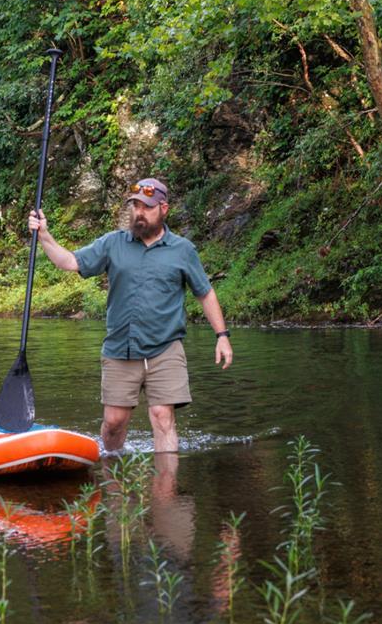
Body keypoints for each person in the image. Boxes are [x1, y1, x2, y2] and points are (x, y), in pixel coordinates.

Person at [28, 177, 233, 454]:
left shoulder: (183, 250)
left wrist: (222, 336)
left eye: (146, 207)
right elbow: (71, 261)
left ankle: (166, 492)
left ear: (164, 208)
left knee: (162, 417)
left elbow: (205, 293)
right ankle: (113, 479)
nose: (139, 212)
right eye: (135, 206)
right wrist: (45, 236)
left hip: (166, 347)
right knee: (114, 422)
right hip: (120, 347)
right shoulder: (113, 244)